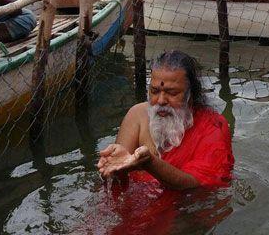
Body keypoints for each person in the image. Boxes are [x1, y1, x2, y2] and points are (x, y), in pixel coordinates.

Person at [97, 50, 234, 190]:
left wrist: (149, 163)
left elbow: (198, 185)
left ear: (190, 95)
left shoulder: (213, 126)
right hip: (140, 201)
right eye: (155, 91)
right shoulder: (137, 115)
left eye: (172, 93)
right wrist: (110, 166)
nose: (161, 101)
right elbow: (116, 177)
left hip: (186, 208)